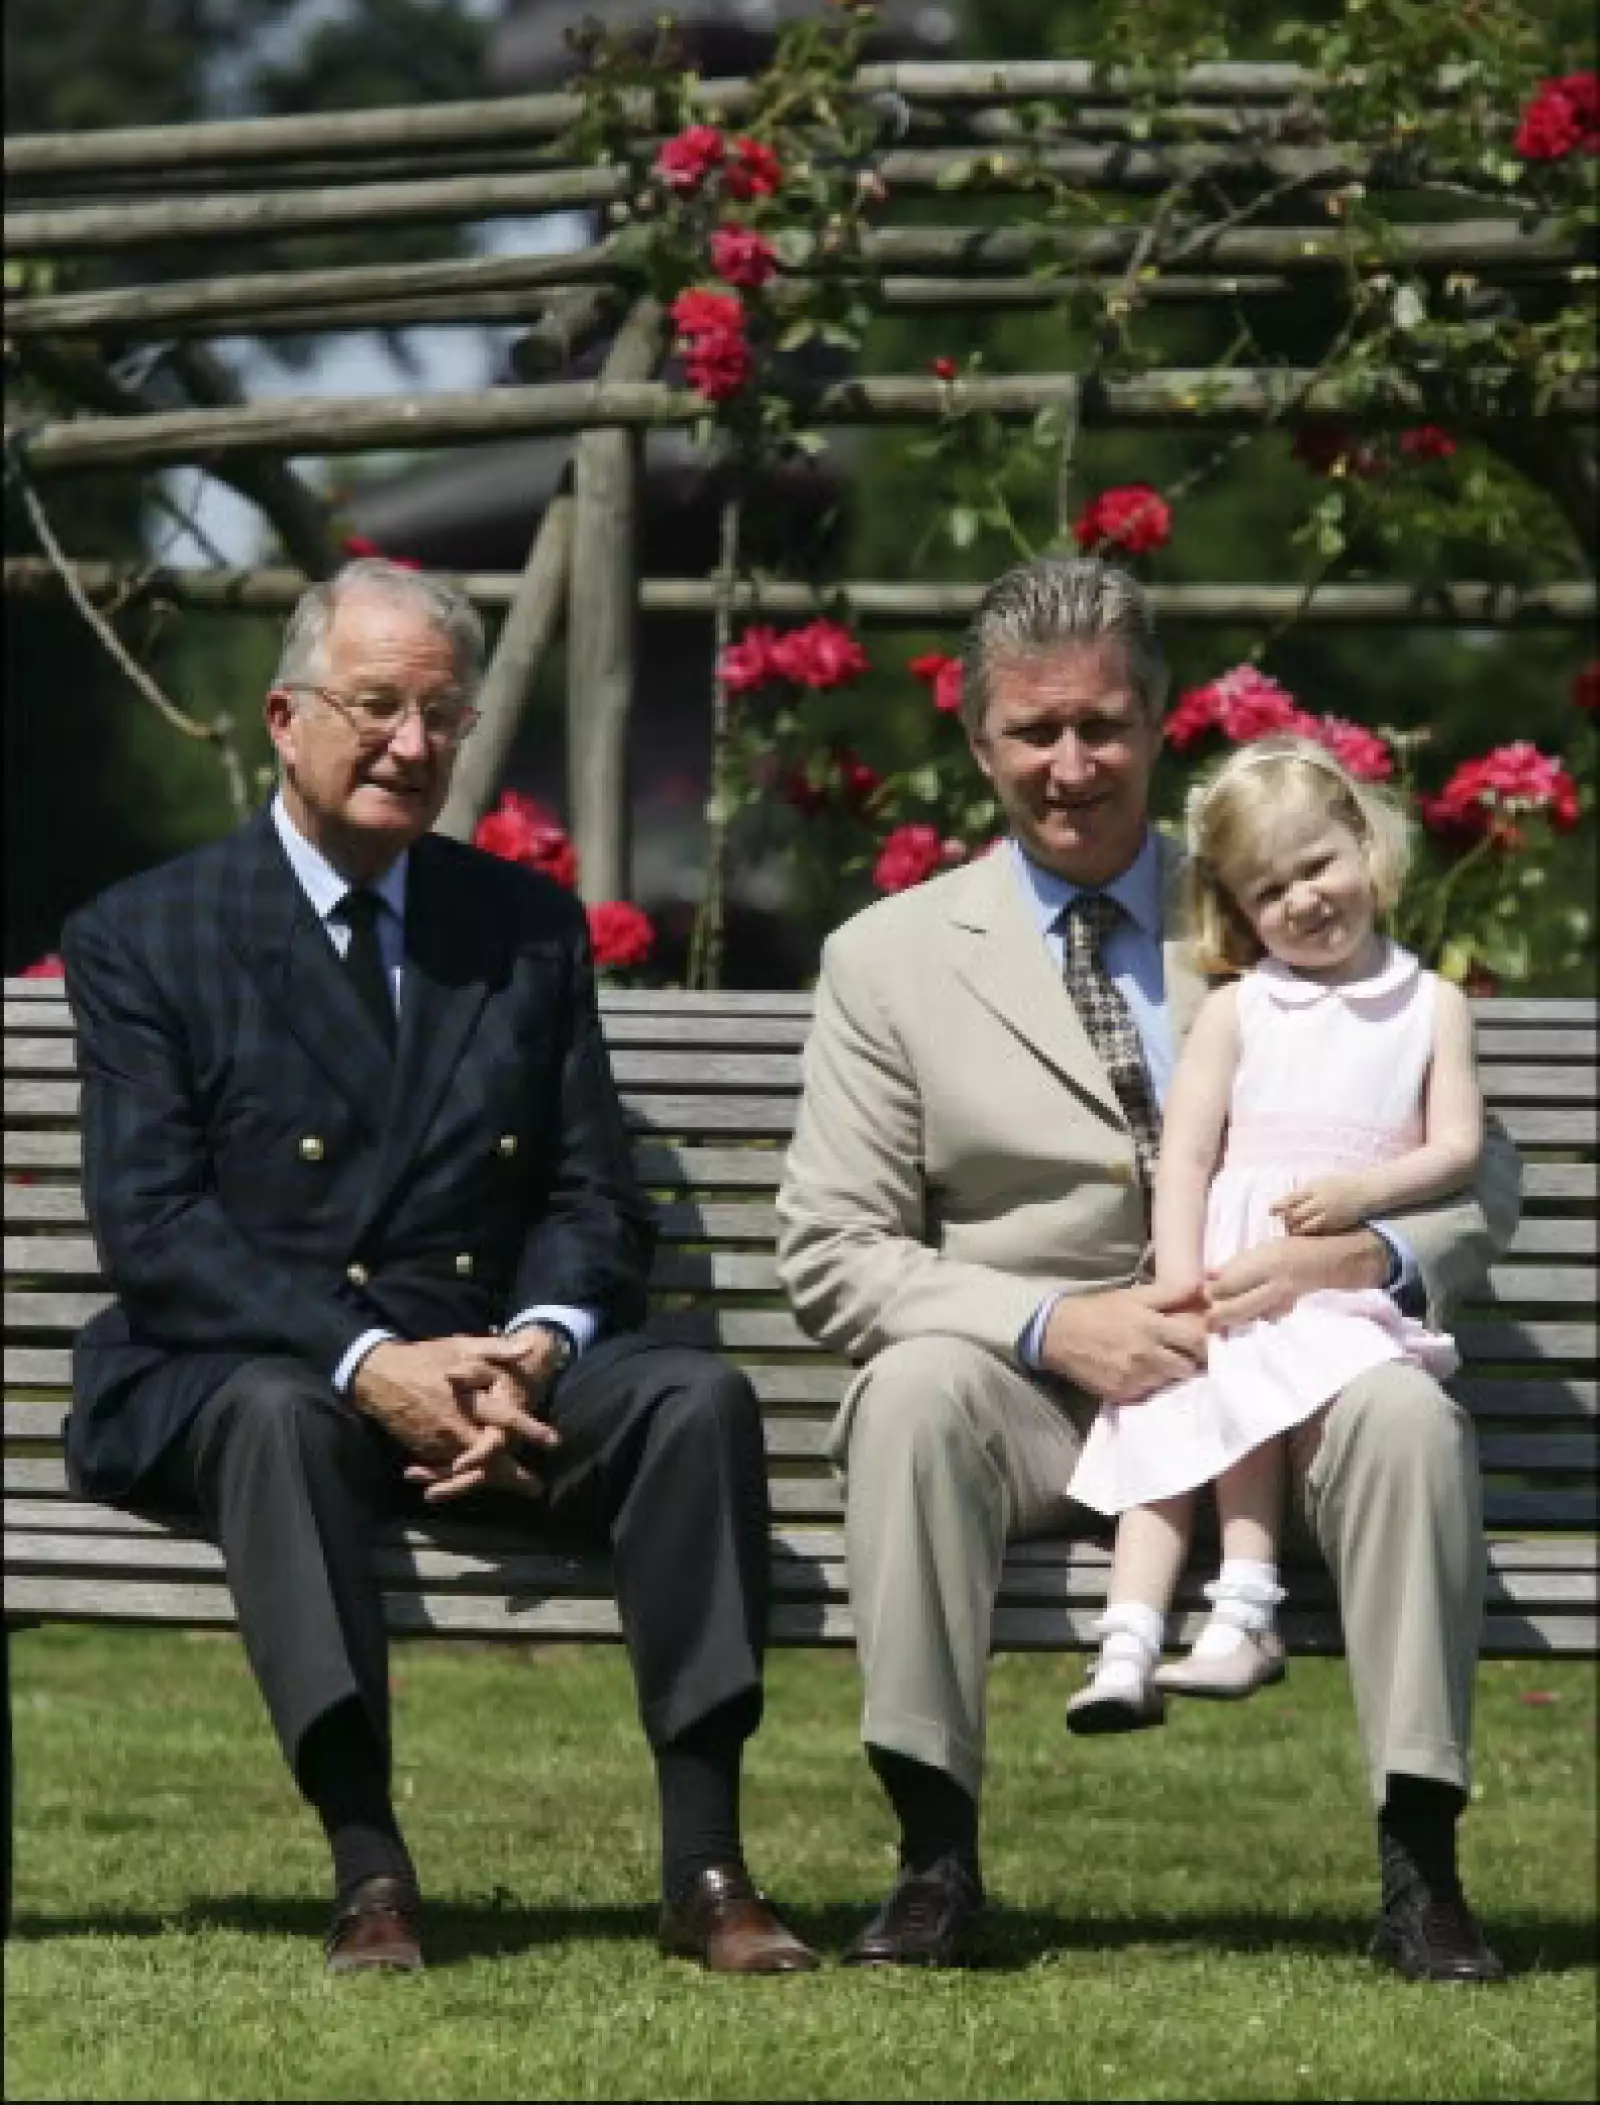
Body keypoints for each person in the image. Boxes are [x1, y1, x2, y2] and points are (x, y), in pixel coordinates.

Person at [62, 558, 817, 1978]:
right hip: (256, 1372)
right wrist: (369, 1363)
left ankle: (708, 1867)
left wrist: (535, 1343)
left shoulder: (521, 926)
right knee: (281, 1418)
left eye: (441, 717)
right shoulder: (145, 935)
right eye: (375, 707)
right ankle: (369, 1870)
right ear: (287, 718)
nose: (410, 745)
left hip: (487, 1376)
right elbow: (155, 1231)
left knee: (693, 1401)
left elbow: (594, 1191)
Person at [776, 554, 1520, 1982]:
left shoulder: (1271, 888)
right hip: (1041, 1397)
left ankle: (1423, 1872)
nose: (1071, 765)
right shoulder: (888, 958)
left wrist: (1372, 1250)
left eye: (1103, 726)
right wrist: (1058, 1323)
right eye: (1034, 732)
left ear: (1162, 718)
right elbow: (835, 1250)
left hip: (1289, 1380)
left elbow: (1480, 1166)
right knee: (914, 1395)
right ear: (981, 741)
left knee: (1411, 1416)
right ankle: (933, 1860)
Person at [1065, 736, 1481, 1735]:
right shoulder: (1237, 1010)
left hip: (1331, 1287)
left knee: (1268, 1393)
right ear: (1236, 910)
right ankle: (1126, 1643)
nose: (1301, 899)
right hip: (1224, 1274)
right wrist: (1178, 1281)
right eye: (1267, 889)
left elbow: (1459, 1148)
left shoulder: (1431, 1007)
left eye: (1316, 865)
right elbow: (1188, 1158)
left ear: (1366, 845)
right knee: (1164, 1420)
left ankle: (1244, 1609)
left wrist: (1362, 1194)